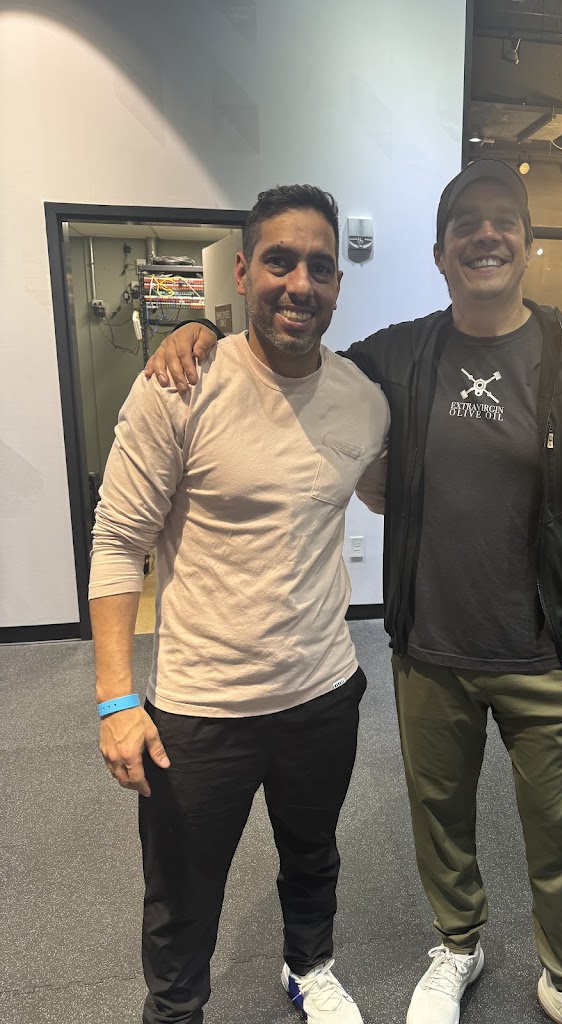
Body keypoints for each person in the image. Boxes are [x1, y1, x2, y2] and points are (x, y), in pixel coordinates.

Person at [147, 159, 562, 1024]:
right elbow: (291, 353)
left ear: (529, 244)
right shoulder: (399, 356)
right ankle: (458, 946)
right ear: (441, 254)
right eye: (466, 225)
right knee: (440, 822)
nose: (486, 236)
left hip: (550, 653)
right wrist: (196, 324)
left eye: (504, 221)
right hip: (430, 652)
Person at [90, 184, 389, 1024]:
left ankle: (310, 967)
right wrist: (116, 699)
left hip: (323, 691)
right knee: (182, 896)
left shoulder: (362, 399)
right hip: (201, 709)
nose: (300, 284)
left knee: (313, 854)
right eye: (280, 261)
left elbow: (382, 491)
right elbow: (117, 541)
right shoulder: (180, 385)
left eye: (320, 267)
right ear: (244, 270)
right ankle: (176, 1012)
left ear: (338, 285)